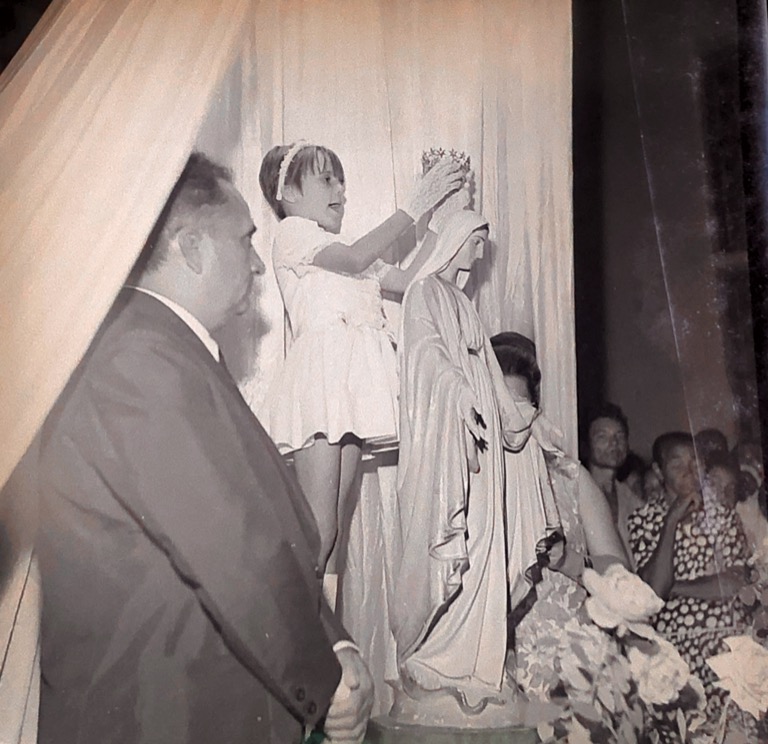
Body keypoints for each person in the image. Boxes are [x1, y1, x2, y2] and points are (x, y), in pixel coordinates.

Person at [36, 153, 373, 744]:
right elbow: (233, 548)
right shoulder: (138, 358)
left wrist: (337, 643)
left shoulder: (171, 351)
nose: (259, 263)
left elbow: (269, 536)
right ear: (191, 248)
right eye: (244, 240)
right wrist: (325, 678)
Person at [258, 142, 464, 587]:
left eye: (341, 180)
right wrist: (413, 205)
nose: (340, 189)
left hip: (349, 389)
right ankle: (295, 626)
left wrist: (434, 220)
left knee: (336, 529)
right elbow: (355, 258)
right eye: (326, 179)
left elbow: (407, 281)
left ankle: (328, 629)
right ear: (288, 195)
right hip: (321, 383)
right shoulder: (293, 234)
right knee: (320, 528)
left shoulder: (342, 247)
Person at [389, 210, 559, 726]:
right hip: (448, 446)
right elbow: (426, 356)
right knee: (457, 545)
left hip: (483, 448)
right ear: (456, 240)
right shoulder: (424, 293)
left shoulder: (465, 304)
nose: (481, 251)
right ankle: (435, 659)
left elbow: (489, 373)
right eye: (477, 241)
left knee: (485, 545)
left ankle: (474, 668)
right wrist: (459, 395)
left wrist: (519, 421)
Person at [490, 332, 630, 706]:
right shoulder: (468, 480)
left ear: (535, 411)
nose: (510, 420)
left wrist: (569, 561)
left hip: (572, 671)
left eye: (519, 407)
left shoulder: (571, 477)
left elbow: (621, 579)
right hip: (497, 676)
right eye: (499, 406)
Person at [628, 432, 751, 735]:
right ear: (659, 471)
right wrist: (670, 521)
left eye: (695, 462)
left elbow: (733, 585)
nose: (688, 471)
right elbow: (654, 591)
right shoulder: (642, 520)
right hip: (672, 655)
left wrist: (674, 587)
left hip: (724, 645)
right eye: (677, 463)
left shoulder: (723, 516)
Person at [585, 403, 644, 566]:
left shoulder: (633, 500)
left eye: (620, 436)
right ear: (586, 445)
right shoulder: (578, 493)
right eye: (602, 437)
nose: (614, 443)